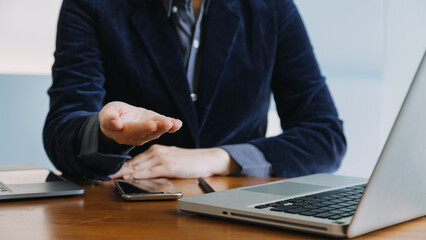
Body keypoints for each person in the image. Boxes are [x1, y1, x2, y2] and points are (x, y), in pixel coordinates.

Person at [43, 0, 346, 180]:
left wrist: (219, 158)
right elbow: (61, 131)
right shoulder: (90, 5)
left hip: (236, 216)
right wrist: (105, 134)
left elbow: (324, 136)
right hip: (128, 214)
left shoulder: (272, 7)